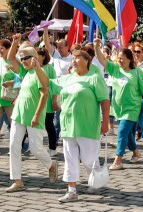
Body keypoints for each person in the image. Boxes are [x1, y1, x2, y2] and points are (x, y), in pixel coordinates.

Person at [36, 47, 109, 202]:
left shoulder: (94, 78)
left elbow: (104, 100)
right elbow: (46, 83)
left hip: (88, 126)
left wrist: (106, 122)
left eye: (77, 58)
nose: (74, 61)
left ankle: (95, 175)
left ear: (87, 61)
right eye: (73, 58)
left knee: (88, 159)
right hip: (68, 125)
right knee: (70, 160)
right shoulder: (67, 78)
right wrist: (36, 67)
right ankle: (72, 190)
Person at [3, 44, 57, 192]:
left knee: (35, 148)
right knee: (14, 146)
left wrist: (37, 115)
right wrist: (16, 42)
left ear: (34, 57)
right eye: (22, 59)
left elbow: (44, 93)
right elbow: (10, 58)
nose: (23, 61)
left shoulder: (40, 72)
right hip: (19, 114)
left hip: (34, 117)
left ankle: (51, 165)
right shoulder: (25, 73)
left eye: (26, 58)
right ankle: (17, 181)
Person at [94, 45, 143, 170]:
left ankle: (118, 160)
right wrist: (96, 47)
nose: (119, 61)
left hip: (132, 108)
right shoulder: (115, 69)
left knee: (121, 132)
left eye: (122, 59)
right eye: (118, 58)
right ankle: (136, 152)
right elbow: (102, 60)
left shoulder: (137, 73)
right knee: (127, 134)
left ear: (130, 59)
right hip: (117, 108)